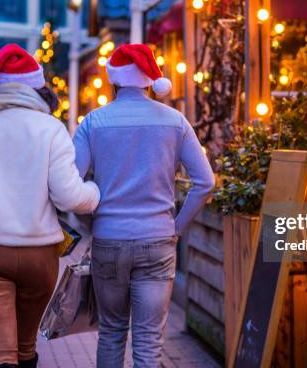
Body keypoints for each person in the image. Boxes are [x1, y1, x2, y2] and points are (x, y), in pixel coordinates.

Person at [0, 44, 100, 368]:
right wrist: (95, 192)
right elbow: (69, 198)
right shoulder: (52, 129)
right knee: (25, 349)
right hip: (39, 255)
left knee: (0, 354)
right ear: (38, 88)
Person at [74, 43, 215, 368]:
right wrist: (176, 228)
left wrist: (94, 208)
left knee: (110, 332)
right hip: (158, 240)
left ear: (114, 79)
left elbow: (70, 183)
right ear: (151, 80)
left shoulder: (94, 122)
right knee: (149, 341)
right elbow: (206, 182)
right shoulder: (175, 121)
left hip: (109, 240)